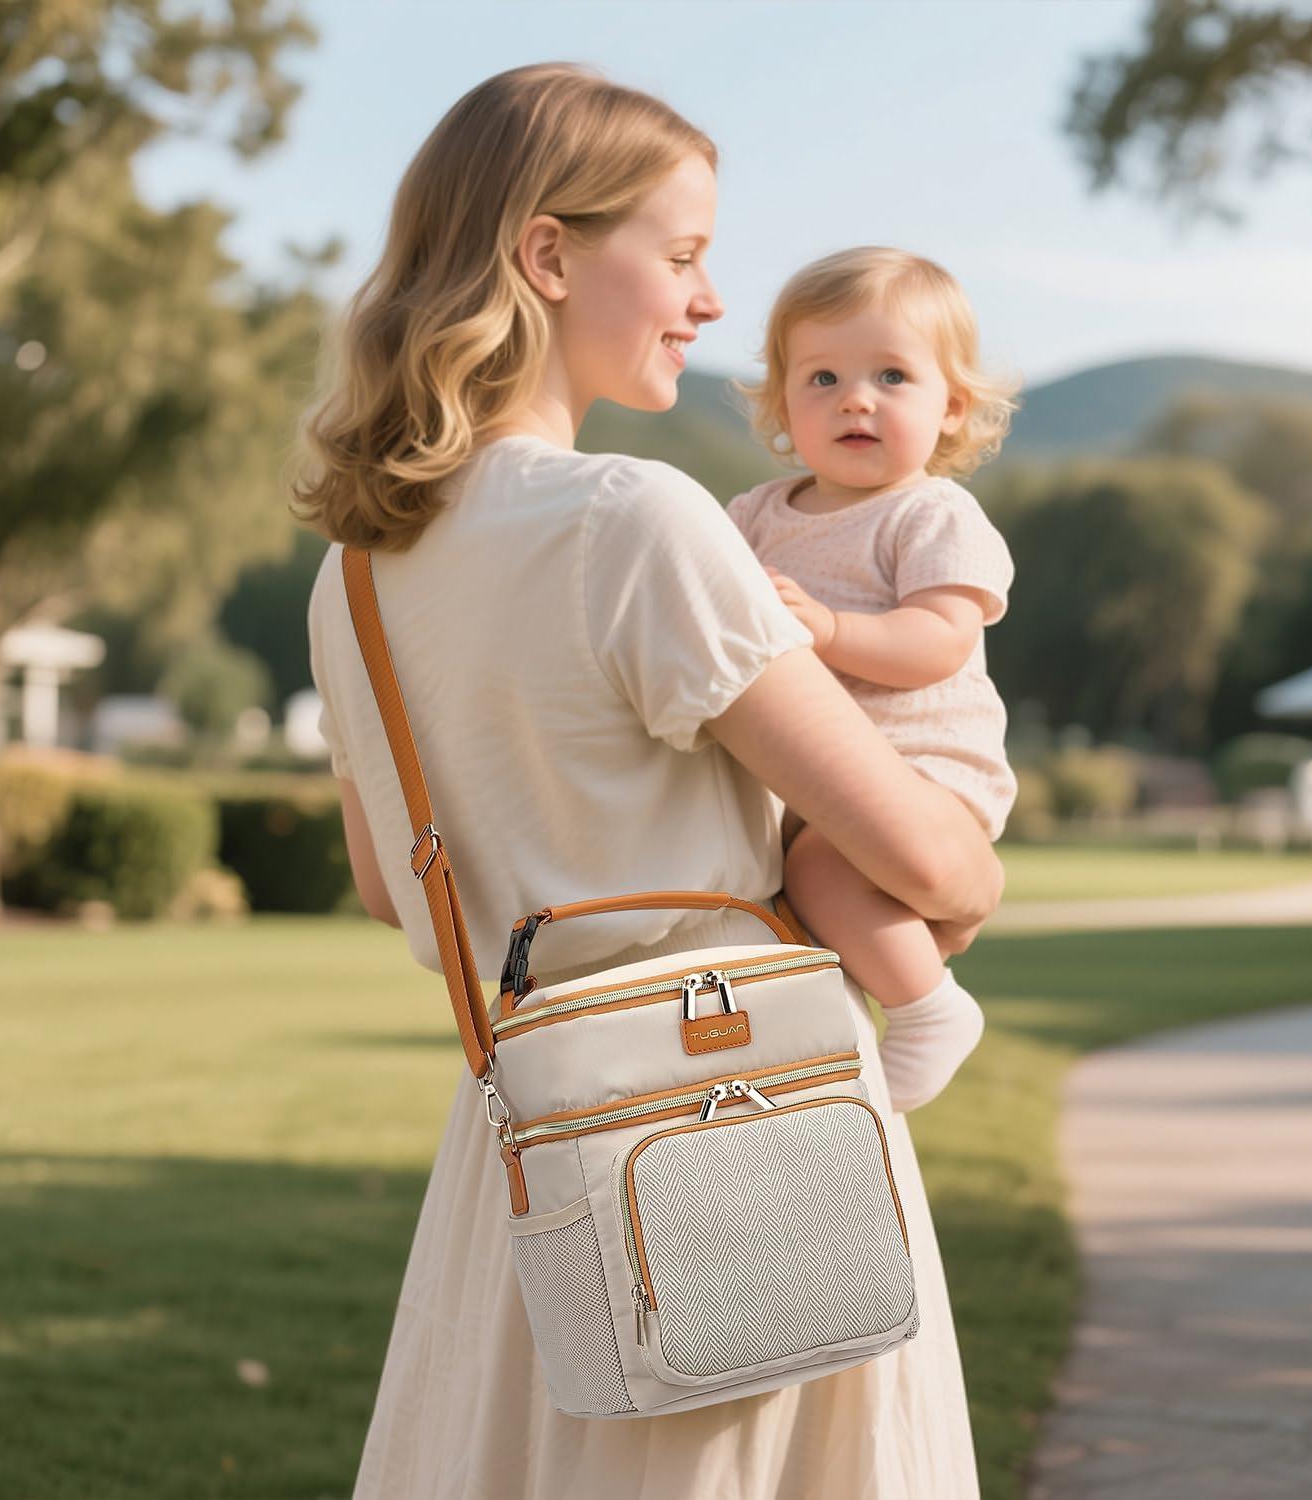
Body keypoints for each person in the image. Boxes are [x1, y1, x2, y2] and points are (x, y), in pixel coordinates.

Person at [297, 63, 1002, 1500]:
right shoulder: (636, 519)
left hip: (532, 1142)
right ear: (547, 257)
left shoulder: (354, 574)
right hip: (737, 1126)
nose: (708, 301)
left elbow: (392, 891)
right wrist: (958, 874)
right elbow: (937, 869)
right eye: (680, 257)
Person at [727, 248, 1019, 1115]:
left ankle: (930, 1010)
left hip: (922, 769)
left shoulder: (930, 512)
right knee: (794, 883)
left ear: (951, 406)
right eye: (822, 378)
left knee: (822, 873)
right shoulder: (753, 516)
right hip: (813, 775)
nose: (856, 398)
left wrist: (830, 630)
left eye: (892, 375)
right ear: (784, 405)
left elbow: (937, 638)